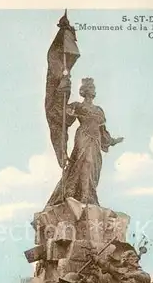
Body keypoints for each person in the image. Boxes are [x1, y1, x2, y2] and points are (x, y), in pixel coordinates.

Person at [47, 77, 123, 206]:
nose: (94, 91)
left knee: (93, 166)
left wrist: (112, 141)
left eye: (94, 88)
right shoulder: (78, 106)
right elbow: (61, 115)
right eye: (91, 88)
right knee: (84, 161)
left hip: (96, 140)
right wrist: (62, 91)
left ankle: (87, 194)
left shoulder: (99, 110)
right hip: (84, 136)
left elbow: (103, 131)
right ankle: (75, 193)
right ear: (85, 90)